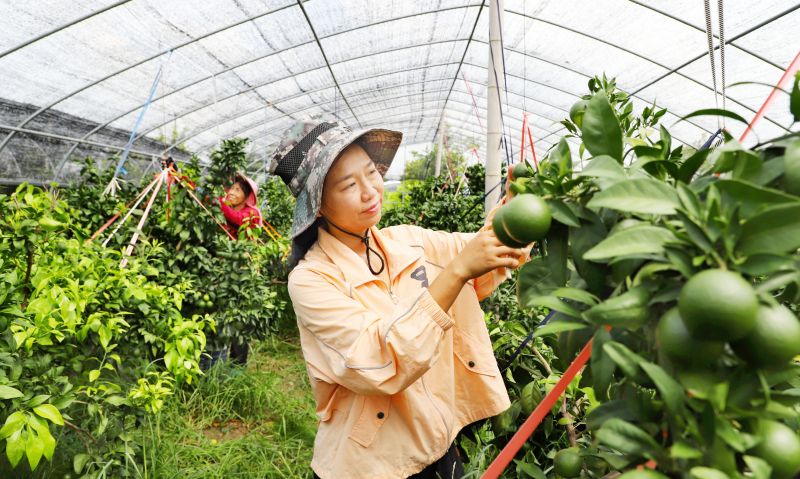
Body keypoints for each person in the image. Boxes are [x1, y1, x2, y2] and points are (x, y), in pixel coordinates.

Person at [269, 119, 530, 479]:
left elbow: (484, 253)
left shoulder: (407, 241)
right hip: (370, 468)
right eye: (349, 184)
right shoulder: (312, 280)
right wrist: (455, 273)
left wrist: (517, 214)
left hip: (437, 451)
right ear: (319, 207)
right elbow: (381, 361)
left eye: (371, 172)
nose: (370, 191)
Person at [217, 173, 263, 239]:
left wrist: (218, 202)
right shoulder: (229, 207)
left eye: (237, 190)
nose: (231, 193)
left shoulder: (253, 212)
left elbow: (237, 219)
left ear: (247, 197)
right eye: (232, 188)